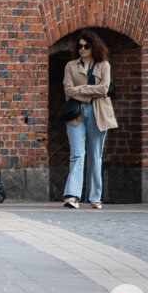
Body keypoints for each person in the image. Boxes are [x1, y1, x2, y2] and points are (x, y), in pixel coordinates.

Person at [62, 29, 117, 209]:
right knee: (77, 154)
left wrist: (81, 90)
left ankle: (95, 197)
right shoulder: (71, 66)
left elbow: (104, 89)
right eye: (79, 46)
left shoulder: (103, 65)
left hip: (98, 113)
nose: (82, 49)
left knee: (95, 155)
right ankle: (72, 195)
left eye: (86, 46)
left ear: (94, 47)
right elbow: (68, 91)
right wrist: (90, 90)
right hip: (76, 113)